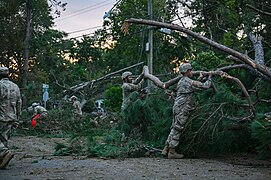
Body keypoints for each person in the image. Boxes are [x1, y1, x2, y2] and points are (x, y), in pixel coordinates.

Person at [162, 63, 212, 159]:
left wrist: (200, 79)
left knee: (174, 127)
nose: (191, 72)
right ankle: (172, 151)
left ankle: (166, 149)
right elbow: (205, 86)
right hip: (183, 108)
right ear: (187, 71)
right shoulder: (188, 81)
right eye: (190, 70)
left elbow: (193, 86)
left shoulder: (182, 81)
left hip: (177, 107)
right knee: (178, 128)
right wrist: (210, 77)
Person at [0, 66, 22, 169]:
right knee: (4, 138)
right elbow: (19, 102)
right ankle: (2, 160)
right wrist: (17, 116)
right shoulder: (15, 86)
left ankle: (5, 152)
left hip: (1, 116)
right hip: (12, 116)